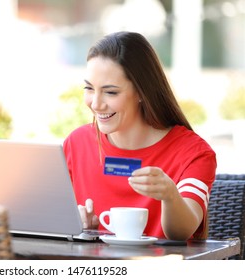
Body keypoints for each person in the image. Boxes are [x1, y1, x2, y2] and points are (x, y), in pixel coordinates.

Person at [63, 31, 217, 240]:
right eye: (89, 88)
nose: (96, 104)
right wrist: (81, 227)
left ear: (141, 93)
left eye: (111, 92)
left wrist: (170, 196)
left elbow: (181, 232)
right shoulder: (76, 143)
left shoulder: (193, 153)